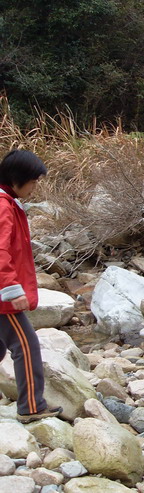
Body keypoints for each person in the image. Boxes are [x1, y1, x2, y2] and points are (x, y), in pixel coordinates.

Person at [0, 150, 62, 423]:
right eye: (34, 181)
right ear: (17, 179)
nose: (35, 187)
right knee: (25, 345)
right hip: (3, 296)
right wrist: (12, 289)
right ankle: (32, 406)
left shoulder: (7, 202)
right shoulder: (3, 206)